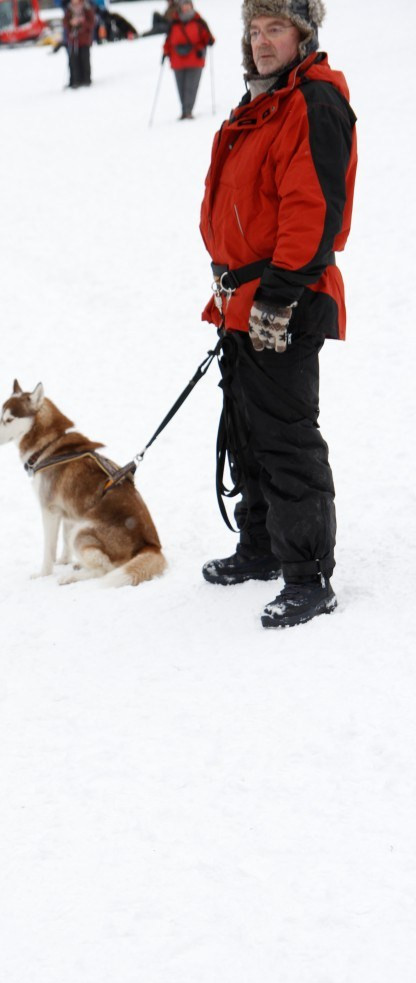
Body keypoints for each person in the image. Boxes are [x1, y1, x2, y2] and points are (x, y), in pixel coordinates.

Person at [198, 0, 357, 628]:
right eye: (255, 30)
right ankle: (261, 545)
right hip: (239, 299)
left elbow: (312, 210)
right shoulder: (259, 103)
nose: (262, 41)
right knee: (246, 430)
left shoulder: (312, 103)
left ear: (303, 34)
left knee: (286, 437)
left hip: (284, 298)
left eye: (275, 29)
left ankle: (308, 576)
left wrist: (277, 296)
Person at [162, 0, 214, 119]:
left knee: (191, 87)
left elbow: (208, 37)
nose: (185, 7)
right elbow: (168, 40)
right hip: (177, 60)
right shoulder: (174, 22)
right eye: (183, 5)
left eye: (187, 5)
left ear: (191, 6)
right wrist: (165, 52)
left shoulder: (199, 21)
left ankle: (188, 111)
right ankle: (185, 110)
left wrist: (209, 41)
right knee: (181, 88)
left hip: (194, 59)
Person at [64, 0, 95, 88]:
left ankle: (86, 79)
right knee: (73, 61)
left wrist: (81, 22)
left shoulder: (87, 8)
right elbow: (65, 23)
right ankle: (74, 81)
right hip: (73, 40)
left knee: (84, 59)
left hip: (84, 39)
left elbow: (91, 23)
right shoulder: (69, 8)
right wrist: (71, 23)